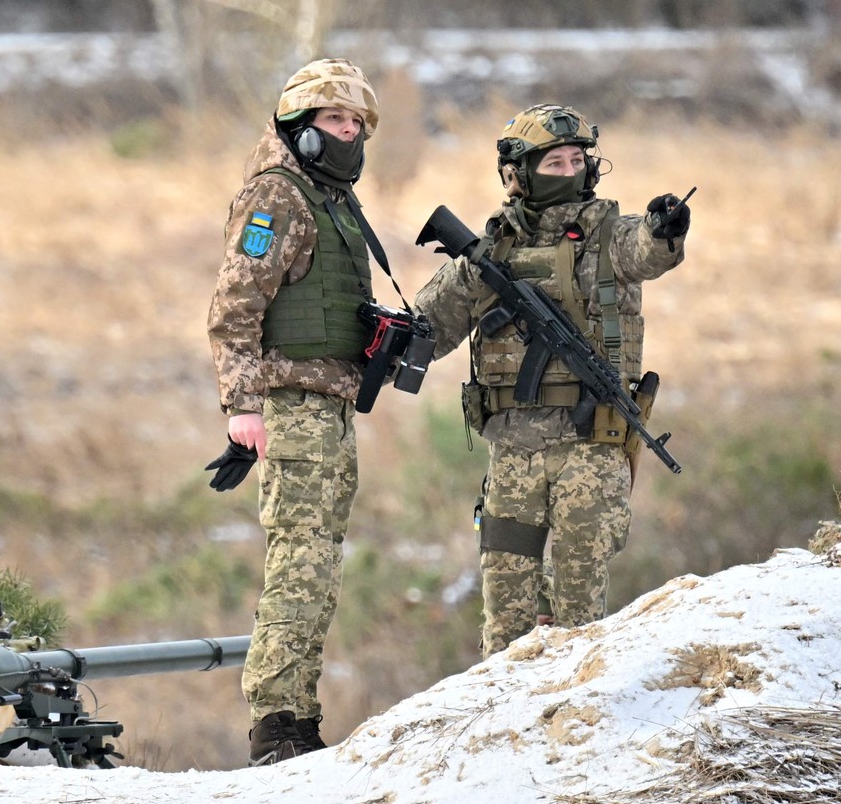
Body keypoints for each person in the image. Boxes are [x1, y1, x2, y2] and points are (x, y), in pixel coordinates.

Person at [414, 104, 690, 655]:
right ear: (518, 174)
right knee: (506, 621)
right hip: (513, 451)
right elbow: (430, 325)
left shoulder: (610, 235)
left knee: (578, 617)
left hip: (591, 446)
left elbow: (647, 251)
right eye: (553, 162)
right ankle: (503, 727)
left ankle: (575, 728)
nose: (568, 171)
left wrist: (666, 229)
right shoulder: (490, 251)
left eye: (576, 161)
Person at [207, 58, 385, 766]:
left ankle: (298, 715)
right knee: (300, 560)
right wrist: (242, 408)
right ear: (301, 129)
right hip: (291, 405)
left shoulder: (328, 199)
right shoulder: (276, 198)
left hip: (329, 405)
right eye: (334, 120)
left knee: (319, 561)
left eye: (355, 123)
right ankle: (278, 721)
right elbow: (234, 307)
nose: (347, 132)